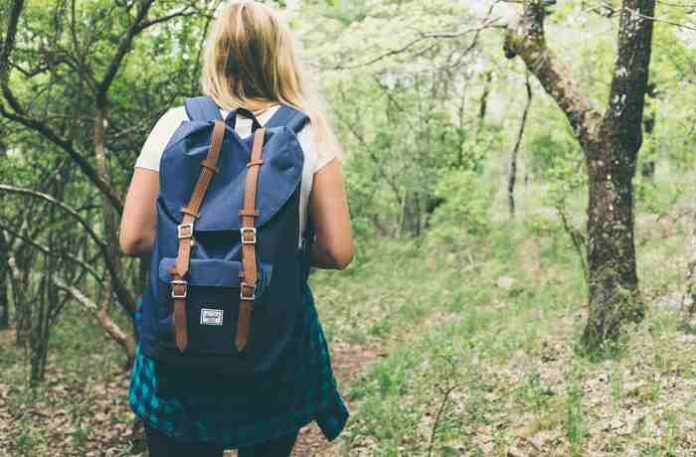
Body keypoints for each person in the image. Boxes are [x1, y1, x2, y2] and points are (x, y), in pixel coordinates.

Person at [119, 1, 354, 455]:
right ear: (280, 55)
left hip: (180, 331)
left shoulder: (176, 123)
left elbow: (134, 237)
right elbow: (339, 250)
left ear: (218, 54)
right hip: (272, 335)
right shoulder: (310, 133)